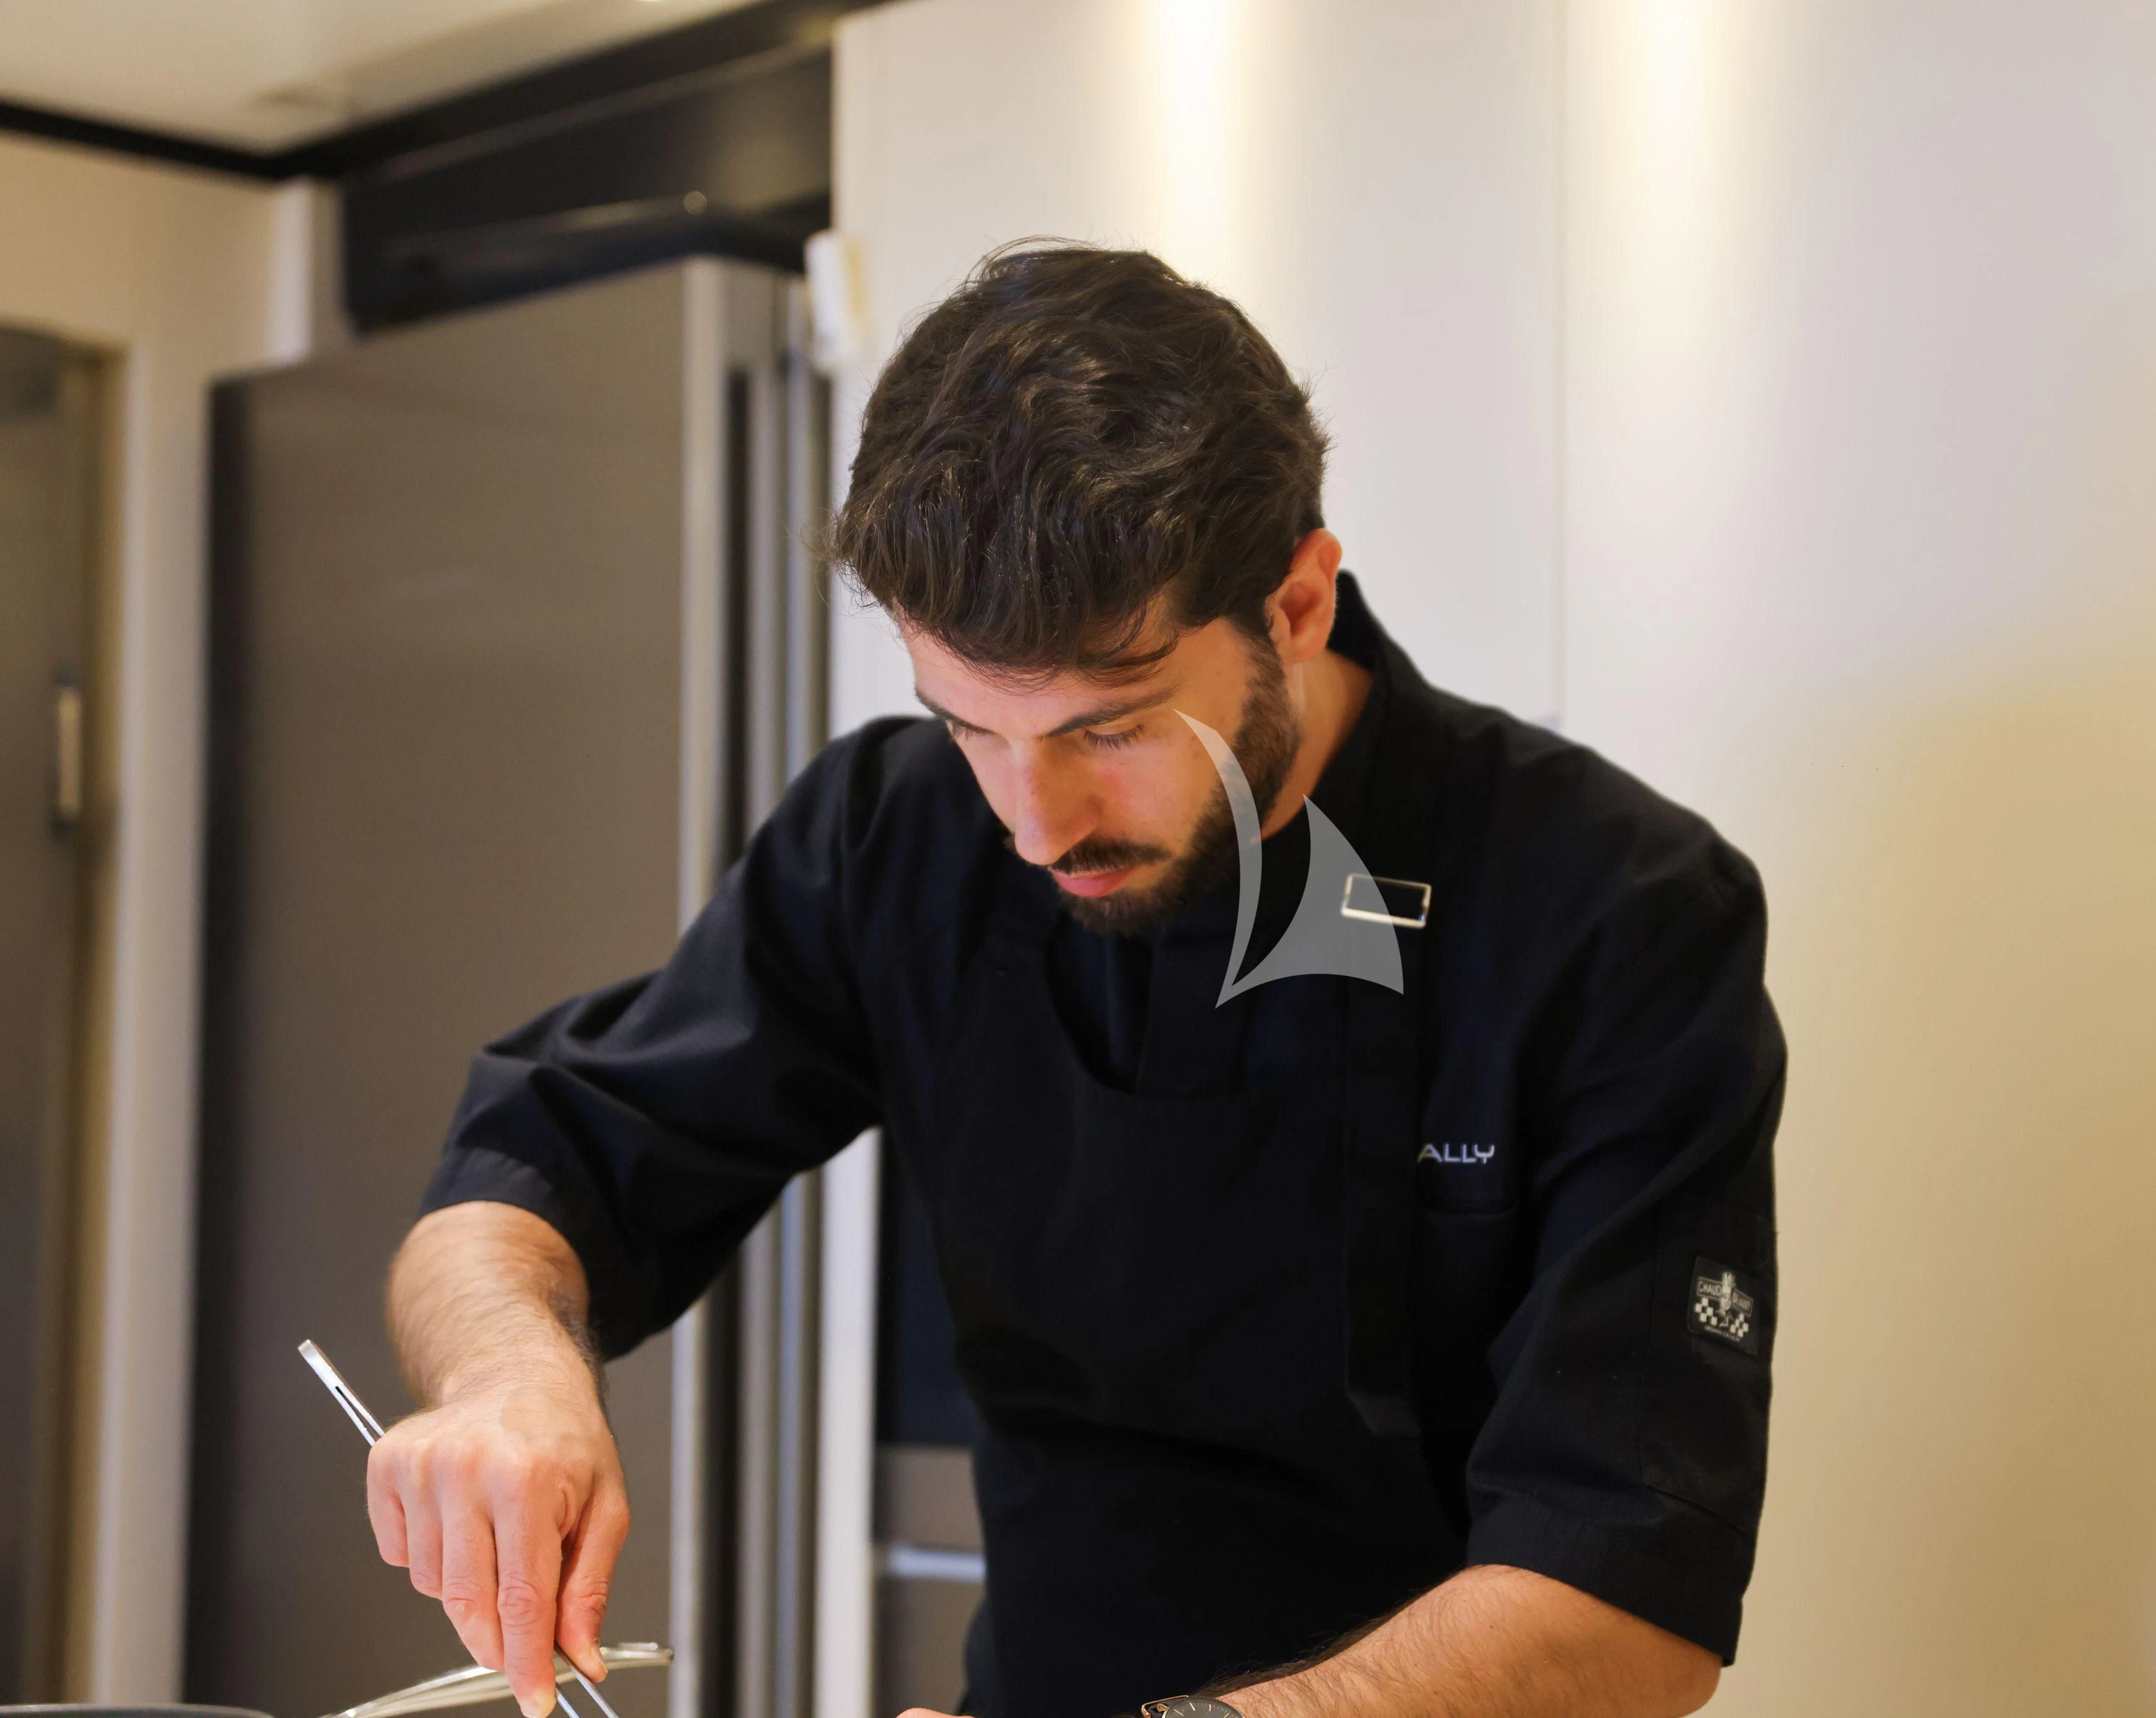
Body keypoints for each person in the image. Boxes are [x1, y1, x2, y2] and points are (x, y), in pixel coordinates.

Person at [369, 243, 1784, 1718]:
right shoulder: (894, 831)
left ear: (1295, 607)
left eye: (1109, 728)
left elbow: (1625, 1605)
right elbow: (529, 1175)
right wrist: (504, 1377)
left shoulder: (1611, 909)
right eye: (971, 727)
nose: (1033, 824)